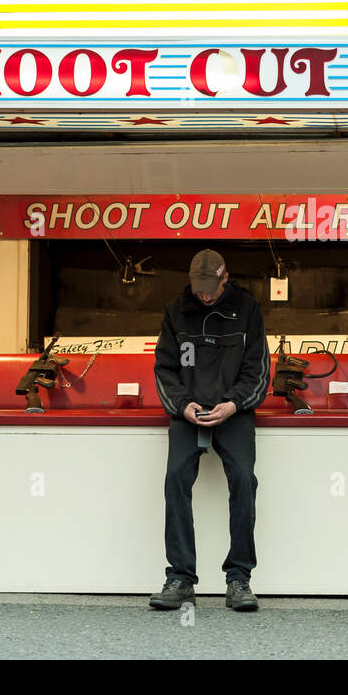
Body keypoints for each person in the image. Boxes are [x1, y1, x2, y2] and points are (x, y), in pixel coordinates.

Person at [150, 248, 269, 613]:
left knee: (244, 480)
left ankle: (239, 579)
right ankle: (181, 579)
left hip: (233, 412)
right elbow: (164, 369)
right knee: (175, 479)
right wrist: (182, 405)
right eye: (198, 289)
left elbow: (258, 370)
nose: (204, 296)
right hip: (187, 412)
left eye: (210, 289)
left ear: (225, 278)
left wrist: (233, 403)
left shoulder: (247, 309)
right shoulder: (175, 311)